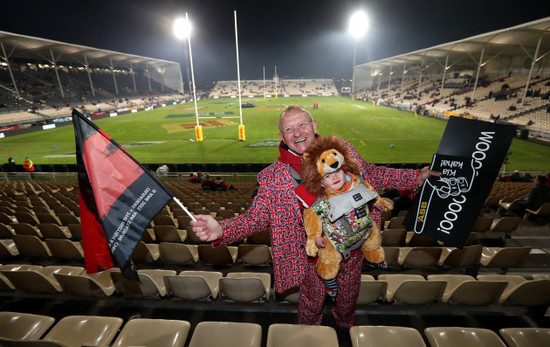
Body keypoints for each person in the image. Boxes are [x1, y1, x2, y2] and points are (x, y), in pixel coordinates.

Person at [191, 105, 439, 329]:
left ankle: (346, 327)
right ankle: (309, 336)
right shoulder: (274, 177)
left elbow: (373, 174)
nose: (297, 133)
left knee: (348, 299)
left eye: (302, 125)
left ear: (314, 126)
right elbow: (254, 218)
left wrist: (415, 177)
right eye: (289, 129)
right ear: (282, 137)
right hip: (309, 258)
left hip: (352, 251)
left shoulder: (342, 151)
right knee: (310, 305)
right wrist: (221, 230)